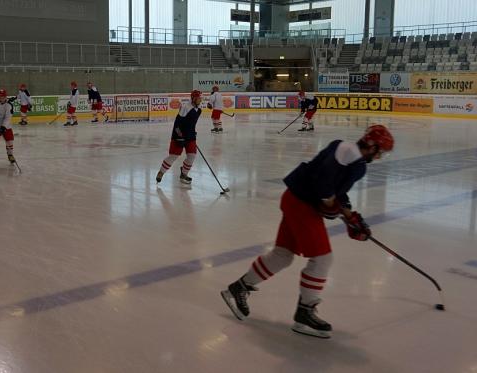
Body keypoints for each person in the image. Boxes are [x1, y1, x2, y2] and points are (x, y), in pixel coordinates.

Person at [221, 125, 395, 339]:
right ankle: (305, 312)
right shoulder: (351, 157)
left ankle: (238, 288)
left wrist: (350, 217)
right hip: (301, 205)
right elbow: (325, 186)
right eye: (380, 151)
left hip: (294, 199)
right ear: (371, 146)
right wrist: (336, 207)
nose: (380, 156)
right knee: (322, 259)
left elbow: (335, 192)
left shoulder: (349, 154)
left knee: (282, 256)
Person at [156, 90, 202, 185]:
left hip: (190, 136)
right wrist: (179, 136)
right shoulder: (186, 107)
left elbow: (191, 124)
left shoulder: (198, 110)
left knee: (192, 156)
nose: (200, 100)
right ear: (193, 98)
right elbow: (177, 124)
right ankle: (161, 172)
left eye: (200, 98)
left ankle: (184, 174)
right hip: (179, 136)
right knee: (174, 155)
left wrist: (193, 132)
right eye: (198, 98)